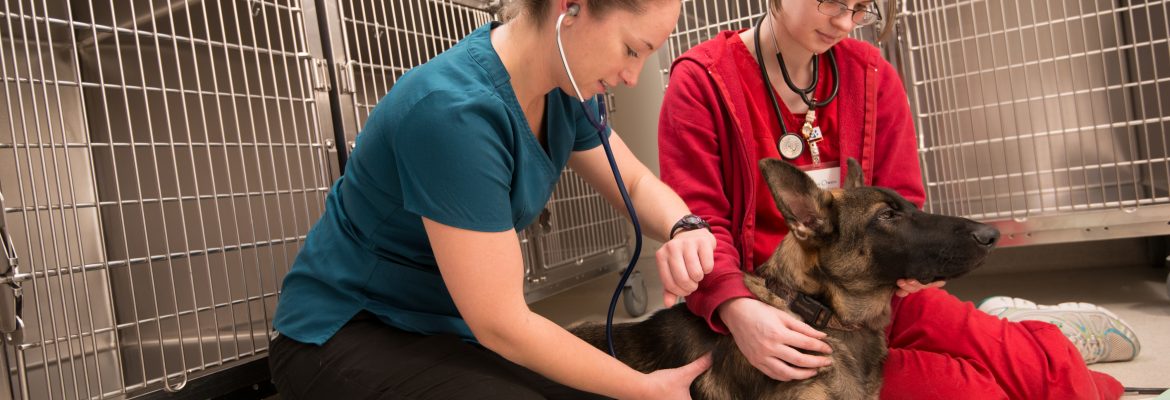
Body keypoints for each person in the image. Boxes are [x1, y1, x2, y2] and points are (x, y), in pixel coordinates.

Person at [657, 0, 1141, 399]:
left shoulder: (871, 75)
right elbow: (699, 225)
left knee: (1024, 362)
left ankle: (1037, 341)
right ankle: (1027, 331)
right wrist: (737, 310)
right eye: (833, 3)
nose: (846, 23)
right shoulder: (702, 82)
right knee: (973, 391)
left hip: (874, 293)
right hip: (772, 312)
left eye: (861, 8)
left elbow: (902, 200)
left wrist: (916, 269)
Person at [267, 1, 719, 399]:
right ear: (571, 8)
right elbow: (503, 325)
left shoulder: (566, 89)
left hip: (444, 328)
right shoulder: (453, 113)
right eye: (632, 50)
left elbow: (634, 183)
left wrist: (685, 227)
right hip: (344, 332)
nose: (632, 77)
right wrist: (643, 388)